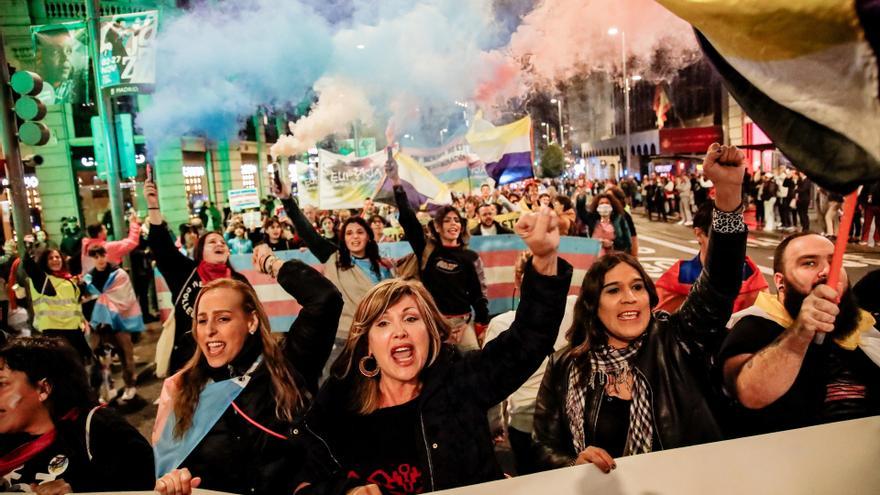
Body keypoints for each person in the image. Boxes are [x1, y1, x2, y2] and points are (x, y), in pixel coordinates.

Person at [305, 207, 572, 494]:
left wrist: (544, 259)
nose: (399, 331)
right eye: (382, 323)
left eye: (411, 318)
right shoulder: (340, 398)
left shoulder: (461, 381)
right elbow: (304, 468)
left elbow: (528, 339)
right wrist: (346, 489)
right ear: (368, 343)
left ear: (431, 333)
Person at [533, 143, 748, 472]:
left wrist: (729, 193)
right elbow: (541, 446)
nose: (630, 297)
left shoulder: (678, 341)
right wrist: (574, 463)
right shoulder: (565, 364)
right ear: (592, 305)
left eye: (637, 287)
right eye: (613, 290)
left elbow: (720, 281)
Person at [152, 256, 343, 495]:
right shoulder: (183, 387)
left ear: (251, 321)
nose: (209, 330)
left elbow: (325, 298)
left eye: (223, 318)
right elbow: (169, 466)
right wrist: (174, 482)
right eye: (201, 320)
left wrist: (271, 263)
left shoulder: (290, 364)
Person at [719, 232, 880, 438]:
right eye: (809, 263)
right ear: (780, 282)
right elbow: (749, 392)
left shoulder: (863, 325)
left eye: (835, 262)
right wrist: (801, 332)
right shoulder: (755, 326)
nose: (827, 271)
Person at [0, 337, 154, 492]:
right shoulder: (7, 440)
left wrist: (79, 490)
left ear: (43, 389)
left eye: (2, 384)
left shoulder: (103, 432)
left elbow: (146, 485)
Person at [281, 184, 394, 379]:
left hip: (376, 337)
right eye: (349, 233)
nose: (354, 237)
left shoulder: (383, 267)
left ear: (368, 237)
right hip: (341, 338)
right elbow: (308, 233)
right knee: (334, 386)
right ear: (343, 238)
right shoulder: (334, 259)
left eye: (360, 232)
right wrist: (287, 200)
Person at [145, 180, 252, 375]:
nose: (219, 244)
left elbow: (252, 317)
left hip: (231, 363)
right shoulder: (185, 272)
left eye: (222, 242)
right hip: (189, 363)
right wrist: (153, 205)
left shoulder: (238, 281)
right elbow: (160, 246)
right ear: (200, 251)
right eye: (212, 242)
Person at [483, 252, 576, 475]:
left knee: (530, 481)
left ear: (518, 281)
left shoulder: (501, 324)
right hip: (568, 420)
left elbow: (490, 388)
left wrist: (494, 425)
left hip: (526, 424)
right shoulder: (575, 308)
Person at [390, 159, 490, 350]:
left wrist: (481, 324)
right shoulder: (427, 251)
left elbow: (478, 295)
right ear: (437, 226)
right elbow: (409, 221)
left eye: (457, 220)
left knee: (474, 364)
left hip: (463, 326)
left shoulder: (470, 257)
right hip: (432, 325)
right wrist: (396, 182)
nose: (453, 224)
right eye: (447, 220)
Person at [655, 201, 768, 313]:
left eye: (736, 235)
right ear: (699, 234)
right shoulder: (679, 278)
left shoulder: (751, 278)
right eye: (720, 236)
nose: (730, 243)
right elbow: (656, 319)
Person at [82, 245, 144, 401]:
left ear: (106, 255)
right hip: (99, 324)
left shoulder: (118, 274)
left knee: (125, 354)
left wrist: (108, 304)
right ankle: (108, 388)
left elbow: (127, 297)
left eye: (102, 255)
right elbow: (86, 299)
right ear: (92, 259)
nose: (100, 259)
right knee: (101, 358)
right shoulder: (88, 279)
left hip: (119, 321)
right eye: (96, 257)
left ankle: (130, 385)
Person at [22, 246, 90, 363]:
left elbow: (74, 304)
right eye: (50, 258)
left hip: (74, 329)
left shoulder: (68, 279)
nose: (55, 260)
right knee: (62, 365)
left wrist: (82, 321)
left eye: (57, 257)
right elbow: (30, 267)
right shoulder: (43, 280)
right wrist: (28, 248)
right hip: (54, 331)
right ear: (45, 262)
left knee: (80, 363)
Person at [80, 210, 141, 275]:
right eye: (104, 229)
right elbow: (132, 242)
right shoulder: (107, 248)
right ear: (99, 233)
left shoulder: (86, 247)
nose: (106, 231)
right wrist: (133, 223)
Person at [576, 192, 632, 257]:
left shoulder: (619, 219)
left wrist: (612, 244)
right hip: (595, 256)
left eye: (607, 203)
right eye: (601, 203)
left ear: (612, 205)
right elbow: (581, 211)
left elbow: (627, 240)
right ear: (597, 206)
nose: (604, 205)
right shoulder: (593, 218)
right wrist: (581, 197)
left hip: (614, 256)